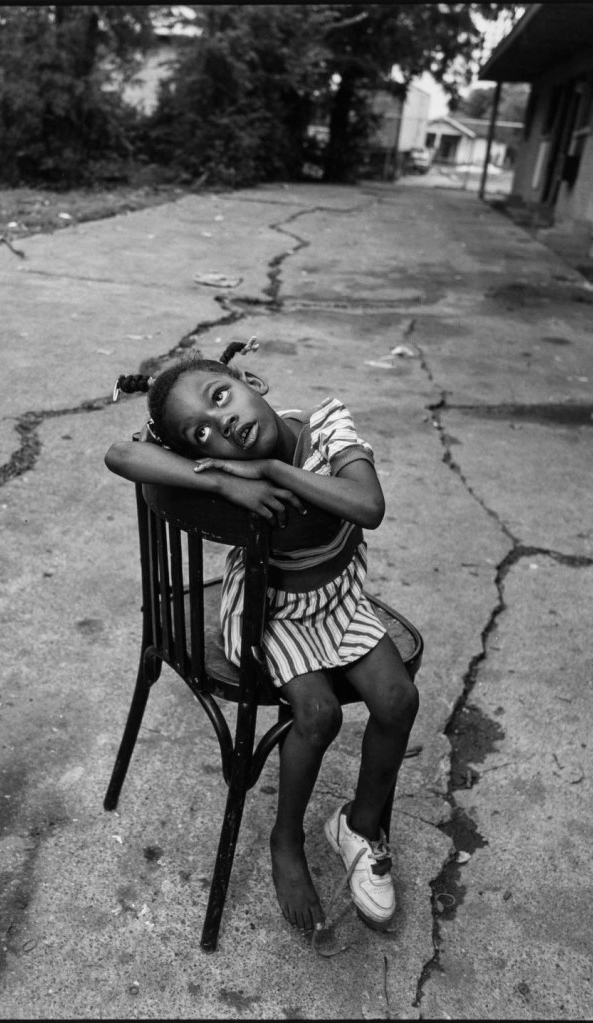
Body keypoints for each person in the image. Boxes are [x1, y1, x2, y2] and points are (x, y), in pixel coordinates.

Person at [104, 340, 419, 935]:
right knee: (318, 713)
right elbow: (122, 452)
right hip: (267, 610)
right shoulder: (226, 473)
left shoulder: (327, 423)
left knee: (399, 699)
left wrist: (271, 472)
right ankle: (285, 839)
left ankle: (359, 825)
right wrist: (224, 485)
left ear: (252, 379)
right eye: (201, 437)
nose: (222, 425)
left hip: (338, 598)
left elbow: (367, 505)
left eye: (222, 397)